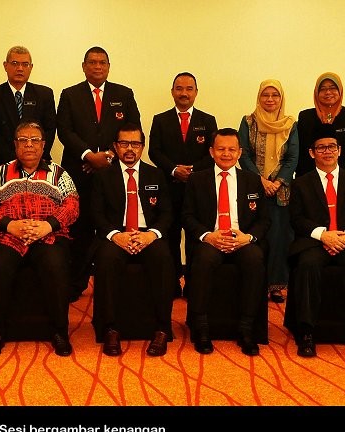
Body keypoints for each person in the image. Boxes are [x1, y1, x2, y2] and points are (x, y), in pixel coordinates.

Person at [0, 121, 79, 357]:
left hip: (49, 235)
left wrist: (48, 225)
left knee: (55, 265)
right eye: (23, 140)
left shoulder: (59, 174)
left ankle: (59, 330)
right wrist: (9, 225)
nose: (29, 145)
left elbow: (72, 205)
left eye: (35, 140)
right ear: (15, 145)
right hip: (9, 236)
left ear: (43, 145)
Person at [57, 46, 141, 301]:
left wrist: (108, 156)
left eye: (102, 62)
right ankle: (76, 283)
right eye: (92, 62)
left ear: (108, 66)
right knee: (79, 229)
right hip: (78, 170)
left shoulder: (124, 94)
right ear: (84, 66)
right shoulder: (70, 94)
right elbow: (64, 130)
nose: (97, 66)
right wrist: (87, 155)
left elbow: (134, 129)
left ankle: (113, 281)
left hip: (113, 172)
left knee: (111, 224)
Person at [288, 124, 345, 361]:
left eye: (331, 147)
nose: (327, 151)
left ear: (339, 150)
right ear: (311, 153)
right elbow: (296, 219)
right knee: (308, 265)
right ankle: (306, 332)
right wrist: (323, 235)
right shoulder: (301, 183)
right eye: (321, 148)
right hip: (314, 242)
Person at [182, 128, 270, 356]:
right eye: (221, 149)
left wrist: (248, 238)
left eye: (232, 149)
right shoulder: (197, 179)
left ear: (240, 152)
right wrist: (207, 236)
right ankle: (202, 329)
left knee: (255, 259)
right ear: (212, 152)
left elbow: (264, 219)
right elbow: (187, 216)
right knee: (203, 260)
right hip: (211, 239)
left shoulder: (252, 180)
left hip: (241, 239)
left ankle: (247, 329)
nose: (226, 154)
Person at [91, 124, 175, 357]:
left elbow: (167, 213)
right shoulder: (102, 176)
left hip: (147, 233)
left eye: (135, 144)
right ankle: (110, 329)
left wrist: (151, 235)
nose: (130, 149)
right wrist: (115, 236)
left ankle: (162, 328)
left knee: (163, 258)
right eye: (124, 144)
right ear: (115, 147)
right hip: (116, 234)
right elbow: (96, 214)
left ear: (142, 147)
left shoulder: (156, 175)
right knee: (107, 260)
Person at [148, 72, 218, 294]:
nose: (184, 93)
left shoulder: (208, 120)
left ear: (196, 92)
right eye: (179, 88)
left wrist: (193, 171)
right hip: (169, 188)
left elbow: (212, 153)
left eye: (189, 89)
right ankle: (171, 282)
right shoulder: (160, 120)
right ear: (172, 92)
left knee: (196, 237)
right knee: (170, 236)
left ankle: (193, 283)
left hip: (198, 189)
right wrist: (174, 169)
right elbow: (154, 151)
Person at [238, 79, 299, 303]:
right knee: (253, 236)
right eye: (266, 94)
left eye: (275, 95)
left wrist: (278, 182)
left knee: (279, 238)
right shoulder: (248, 122)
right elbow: (243, 154)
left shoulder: (290, 124)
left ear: (281, 98)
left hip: (281, 192)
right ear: (259, 96)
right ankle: (254, 282)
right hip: (253, 189)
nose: (270, 99)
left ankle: (276, 285)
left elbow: (292, 157)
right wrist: (261, 180)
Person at [0, 45, 57, 171]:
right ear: (5, 66)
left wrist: (33, 158)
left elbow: (49, 130)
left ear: (31, 67)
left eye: (25, 64)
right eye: (15, 63)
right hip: (4, 163)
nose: (20, 68)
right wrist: (18, 161)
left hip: (38, 162)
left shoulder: (44, 94)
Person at [296, 72, 345, 177]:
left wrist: (340, 178)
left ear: (340, 90)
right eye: (323, 89)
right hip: (311, 178)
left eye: (333, 88)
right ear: (316, 92)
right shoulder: (305, 117)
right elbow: (300, 152)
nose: (328, 92)